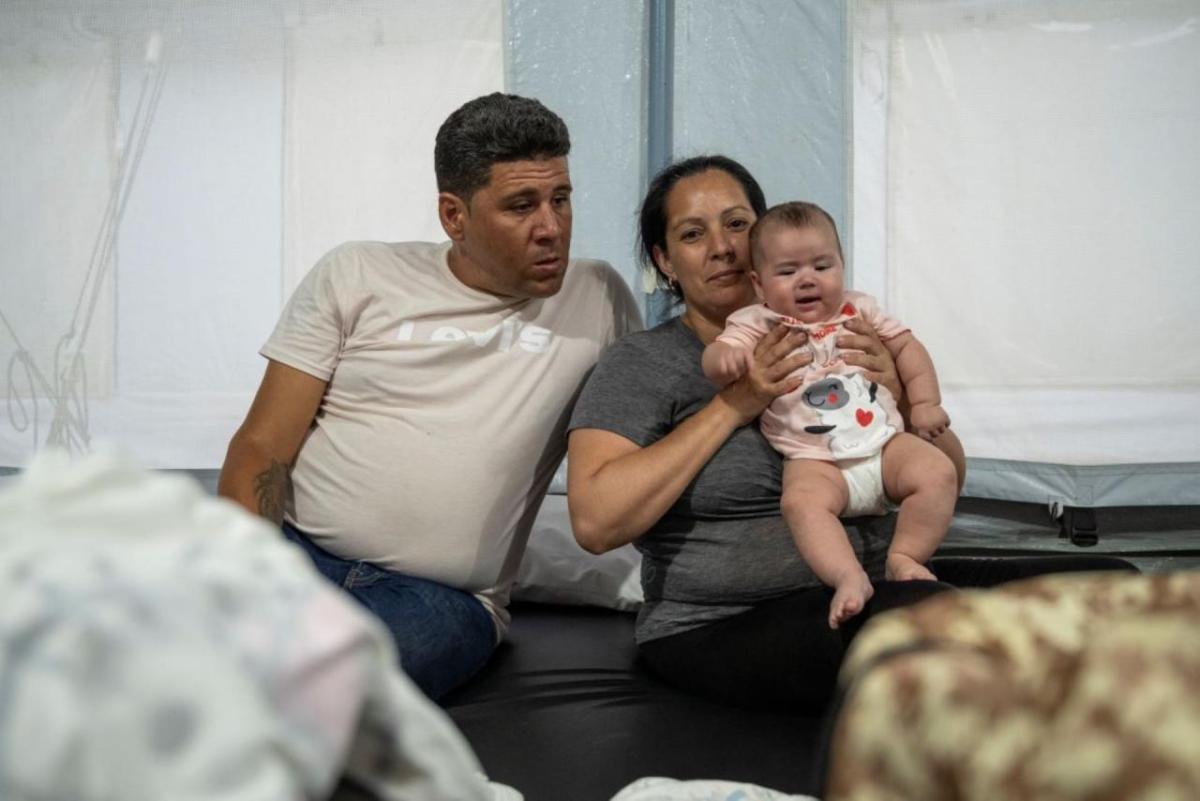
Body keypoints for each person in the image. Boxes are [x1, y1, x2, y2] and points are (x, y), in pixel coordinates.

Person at [565, 154, 1131, 714]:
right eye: (693, 234)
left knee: (1115, 590)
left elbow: (948, 474)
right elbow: (596, 522)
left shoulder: (847, 328)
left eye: (738, 224)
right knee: (928, 622)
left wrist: (905, 399)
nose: (724, 247)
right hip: (721, 622)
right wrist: (735, 404)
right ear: (665, 261)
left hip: (887, 575)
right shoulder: (643, 362)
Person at [218, 93, 641, 701]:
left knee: (325, 692)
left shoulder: (599, 298)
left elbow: (662, 403)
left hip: (439, 599)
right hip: (294, 553)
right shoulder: (356, 274)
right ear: (454, 215)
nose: (551, 227)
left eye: (561, 199)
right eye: (521, 206)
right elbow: (261, 446)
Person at [702, 201, 958, 629]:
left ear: (842, 265)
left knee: (938, 473)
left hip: (884, 444)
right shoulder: (756, 322)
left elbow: (908, 348)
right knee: (801, 504)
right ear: (758, 283)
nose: (807, 279)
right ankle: (847, 576)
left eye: (823, 266)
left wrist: (926, 402)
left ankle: (905, 555)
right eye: (787, 272)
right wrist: (722, 360)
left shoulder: (860, 309)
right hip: (814, 459)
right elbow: (721, 352)